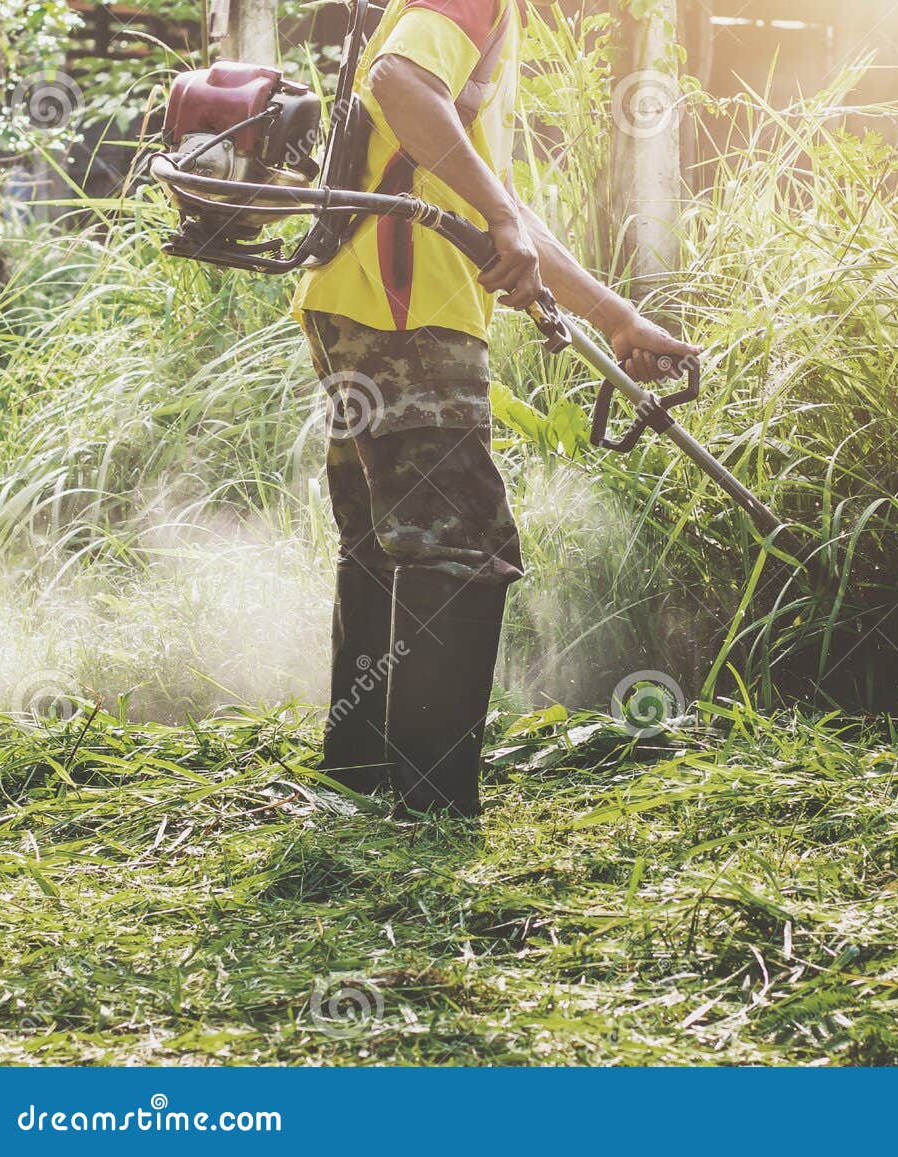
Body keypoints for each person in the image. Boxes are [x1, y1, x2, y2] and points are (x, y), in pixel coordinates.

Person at [292, 0, 698, 818]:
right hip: (408, 309)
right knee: (461, 546)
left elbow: (490, 201)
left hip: (355, 302)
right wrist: (502, 217)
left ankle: (359, 781)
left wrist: (616, 318)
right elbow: (397, 83)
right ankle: (434, 807)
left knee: (384, 541)